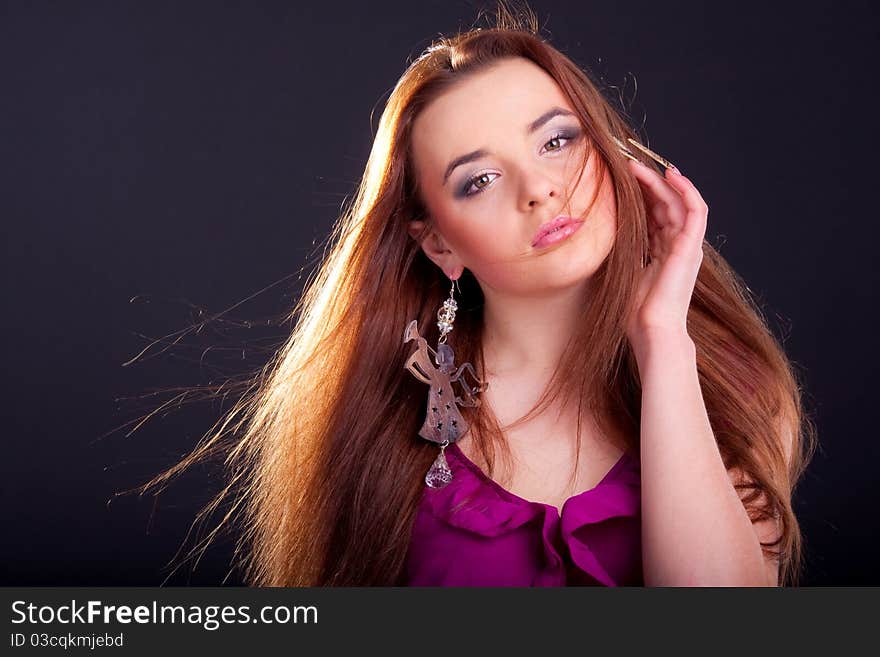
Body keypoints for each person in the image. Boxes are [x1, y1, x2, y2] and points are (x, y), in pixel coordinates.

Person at [143, 3, 816, 587]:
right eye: (480, 179)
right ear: (440, 245)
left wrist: (663, 336)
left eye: (558, 140)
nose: (539, 187)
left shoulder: (733, 388)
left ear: (616, 154)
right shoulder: (376, 422)